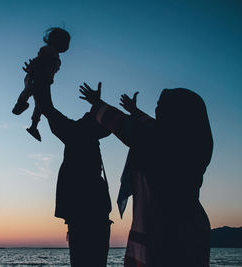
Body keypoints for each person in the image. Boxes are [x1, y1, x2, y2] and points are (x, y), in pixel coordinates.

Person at [80, 83, 213, 267]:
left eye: (162, 105)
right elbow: (152, 126)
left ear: (176, 112)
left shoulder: (156, 141)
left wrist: (97, 103)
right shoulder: (196, 143)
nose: (157, 108)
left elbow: (122, 124)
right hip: (194, 229)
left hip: (162, 234)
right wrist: (135, 111)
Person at [24, 65, 113, 266]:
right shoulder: (85, 134)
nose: (87, 115)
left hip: (85, 217)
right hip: (95, 215)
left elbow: (47, 108)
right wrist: (98, 105)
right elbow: (49, 109)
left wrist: (41, 78)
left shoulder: (75, 133)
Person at [12, 27, 70, 141]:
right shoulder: (49, 50)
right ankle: (21, 103)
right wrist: (33, 69)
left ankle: (33, 126)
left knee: (40, 105)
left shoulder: (55, 55)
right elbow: (40, 60)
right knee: (30, 92)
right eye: (66, 42)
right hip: (36, 77)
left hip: (43, 81)